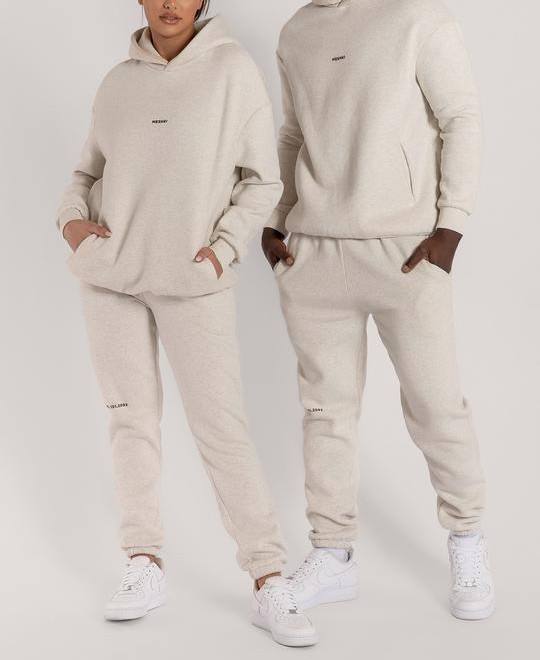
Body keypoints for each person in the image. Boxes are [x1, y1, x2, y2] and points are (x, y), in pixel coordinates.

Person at [56, 0, 317, 646]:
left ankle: (268, 577)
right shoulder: (119, 82)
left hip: (193, 282)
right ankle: (143, 562)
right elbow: (86, 173)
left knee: (222, 430)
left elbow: (262, 181)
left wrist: (222, 249)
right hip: (110, 278)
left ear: (202, 0)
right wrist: (71, 224)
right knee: (130, 420)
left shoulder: (232, 72)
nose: (170, 3)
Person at [263, 0, 495, 621]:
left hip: (406, 252)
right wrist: (274, 219)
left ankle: (467, 538)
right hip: (314, 253)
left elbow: (461, 117)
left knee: (435, 404)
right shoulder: (296, 31)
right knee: (325, 412)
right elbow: (293, 132)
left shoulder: (416, 17)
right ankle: (332, 552)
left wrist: (451, 226)